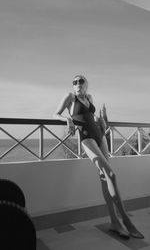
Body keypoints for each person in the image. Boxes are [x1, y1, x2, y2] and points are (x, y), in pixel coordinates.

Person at [53, 74, 144, 239]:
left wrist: (100, 120)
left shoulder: (89, 97)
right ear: (73, 86)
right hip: (86, 137)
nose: (78, 84)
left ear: (87, 84)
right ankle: (126, 221)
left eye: (81, 81)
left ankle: (114, 222)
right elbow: (55, 114)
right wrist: (67, 120)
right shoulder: (70, 97)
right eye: (75, 82)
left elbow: (92, 116)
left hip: (100, 135)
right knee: (111, 175)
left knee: (104, 177)